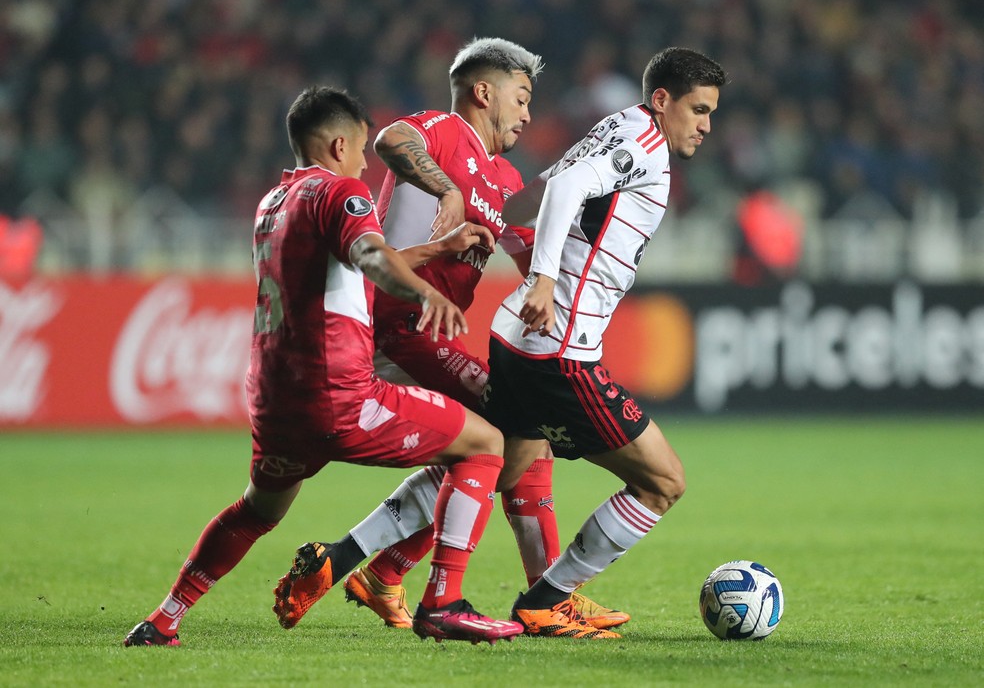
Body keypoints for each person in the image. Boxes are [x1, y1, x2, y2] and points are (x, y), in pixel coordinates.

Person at [123, 86, 523, 647]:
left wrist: (436, 250)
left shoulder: (273, 203)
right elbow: (371, 256)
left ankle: (163, 619)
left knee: (255, 511)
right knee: (486, 443)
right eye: (360, 150)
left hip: (274, 402)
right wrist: (425, 292)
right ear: (339, 145)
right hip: (340, 395)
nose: (364, 165)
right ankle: (443, 604)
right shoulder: (343, 191)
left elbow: (350, 265)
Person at [271, 38, 626, 633]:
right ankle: (538, 598)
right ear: (483, 92)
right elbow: (391, 140)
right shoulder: (443, 130)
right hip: (398, 322)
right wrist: (447, 189)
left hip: (430, 333)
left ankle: (370, 567)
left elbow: (523, 250)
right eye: (521, 97)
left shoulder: (504, 175)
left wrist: (556, 279)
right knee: (518, 435)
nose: (528, 113)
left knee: (505, 445)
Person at [486, 47, 727, 639]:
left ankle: (360, 558)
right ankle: (547, 600)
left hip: (516, 335)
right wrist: (544, 278)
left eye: (711, 113)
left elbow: (530, 198)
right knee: (663, 482)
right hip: (559, 352)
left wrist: (519, 253)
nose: (706, 125)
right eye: (698, 110)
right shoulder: (641, 142)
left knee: (488, 466)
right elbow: (565, 185)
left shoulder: (616, 127)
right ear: (663, 100)